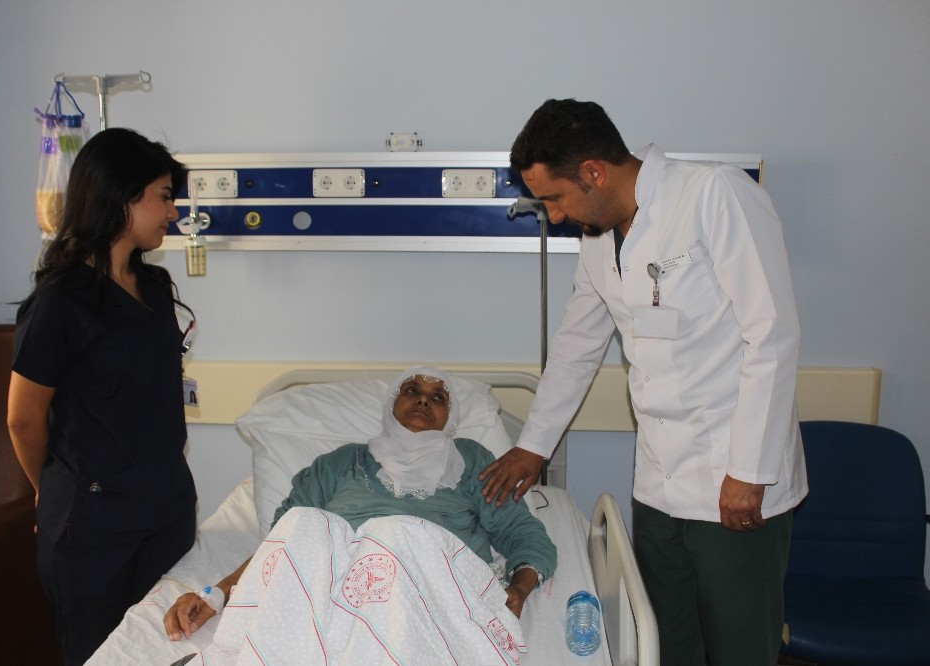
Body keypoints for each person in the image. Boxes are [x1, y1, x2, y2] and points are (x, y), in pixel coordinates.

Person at [479, 99, 807, 666]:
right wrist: (533, 445)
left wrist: (749, 472)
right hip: (659, 482)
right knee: (668, 644)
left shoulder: (712, 196)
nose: (554, 215)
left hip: (735, 477)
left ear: (593, 172)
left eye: (555, 197)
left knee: (739, 648)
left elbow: (772, 334)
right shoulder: (599, 237)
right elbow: (577, 346)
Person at [163, 366, 556, 664]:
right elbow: (285, 545)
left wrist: (518, 590)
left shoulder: (472, 461)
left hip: (427, 589)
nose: (423, 400)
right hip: (335, 591)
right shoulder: (340, 463)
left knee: (393, 533)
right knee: (306, 521)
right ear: (391, 404)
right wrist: (216, 595)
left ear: (450, 418)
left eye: (437, 397)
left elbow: (523, 534)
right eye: (412, 390)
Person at [7, 127, 198, 665]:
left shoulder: (153, 289)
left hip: (165, 509)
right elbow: (23, 419)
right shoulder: (61, 303)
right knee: (99, 655)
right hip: (92, 526)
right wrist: (51, 490)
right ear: (122, 196)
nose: (173, 212)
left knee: (170, 650)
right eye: (164, 196)